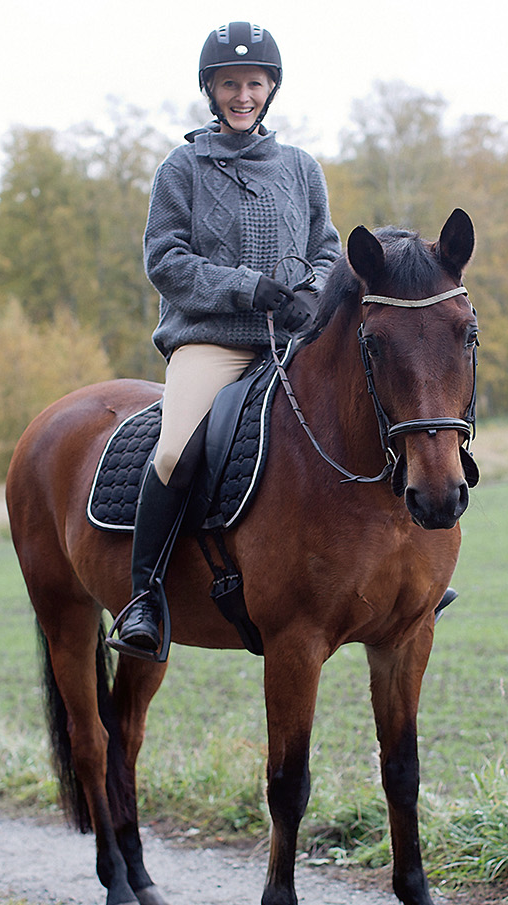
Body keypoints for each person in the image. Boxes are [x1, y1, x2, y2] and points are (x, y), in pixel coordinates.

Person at [107, 21, 342, 661]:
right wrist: (248, 288)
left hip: (291, 341)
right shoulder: (181, 168)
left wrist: (312, 291)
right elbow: (167, 261)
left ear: (271, 90)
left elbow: (327, 250)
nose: (243, 95)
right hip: (213, 340)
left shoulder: (301, 168)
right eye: (231, 84)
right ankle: (144, 597)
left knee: (362, 417)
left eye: (254, 84)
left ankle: (403, 580)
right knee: (174, 452)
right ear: (211, 91)